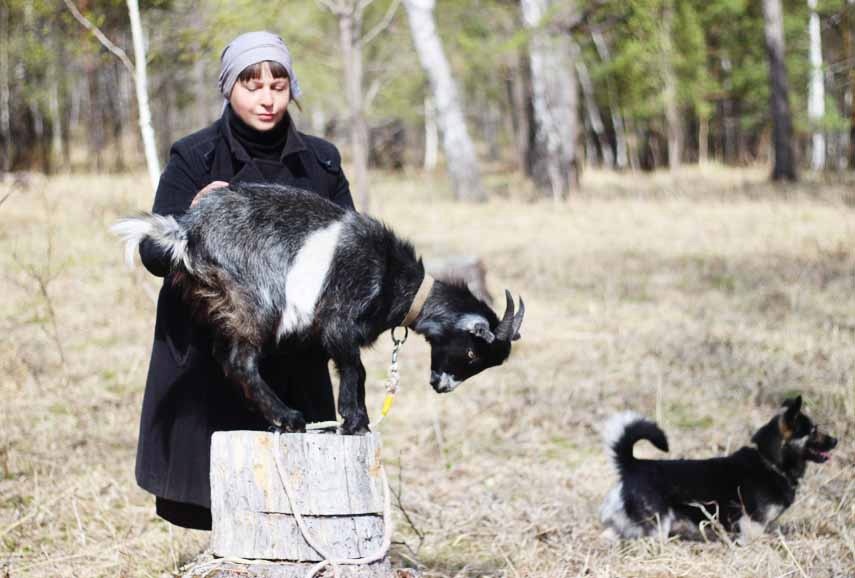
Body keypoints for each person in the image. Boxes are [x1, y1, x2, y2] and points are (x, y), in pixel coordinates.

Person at [135, 31, 354, 531]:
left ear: (292, 88)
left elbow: (351, 254)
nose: (266, 96)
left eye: (278, 83)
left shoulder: (320, 161)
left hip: (298, 357)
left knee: (303, 509)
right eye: (251, 83)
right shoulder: (195, 156)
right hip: (218, 357)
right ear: (229, 87)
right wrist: (193, 217)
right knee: (227, 509)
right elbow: (152, 252)